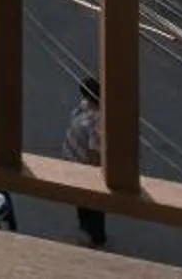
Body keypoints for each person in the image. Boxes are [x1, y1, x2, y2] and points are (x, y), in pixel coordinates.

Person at [65, 74, 108, 248]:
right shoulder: (85, 106)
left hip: (85, 168)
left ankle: (96, 237)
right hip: (75, 162)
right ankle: (85, 227)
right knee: (81, 201)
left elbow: (95, 152)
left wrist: (90, 176)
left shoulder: (98, 121)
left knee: (92, 204)